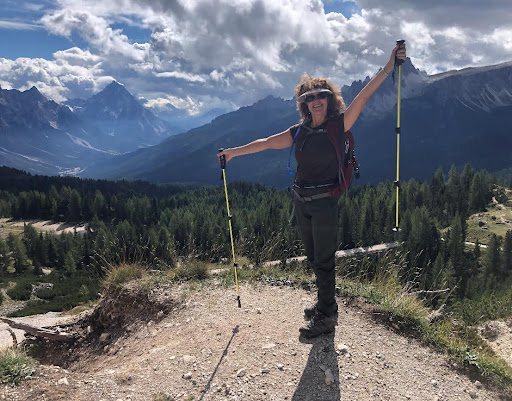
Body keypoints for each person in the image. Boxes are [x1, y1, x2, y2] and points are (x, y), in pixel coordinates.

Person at [217, 43, 407, 337]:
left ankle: (327, 316)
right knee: (314, 256)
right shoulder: (300, 132)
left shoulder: (339, 125)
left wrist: (388, 65)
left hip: (324, 203)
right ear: (303, 103)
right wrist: (232, 153)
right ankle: (324, 303)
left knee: (324, 258)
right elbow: (266, 142)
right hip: (301, 200)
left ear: (330, 100)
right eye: (309, 97)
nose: (316, 101)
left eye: (321, 96)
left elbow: (365, 95)